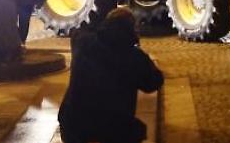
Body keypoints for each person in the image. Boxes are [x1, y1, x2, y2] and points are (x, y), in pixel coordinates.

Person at [58, 7, 164, 143]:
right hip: (112, 129)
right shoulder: (134, 56)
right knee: (135, 131)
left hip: (73, 125)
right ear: (132, 29)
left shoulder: (82, 42)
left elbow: (77, 32)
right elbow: (154, 82)